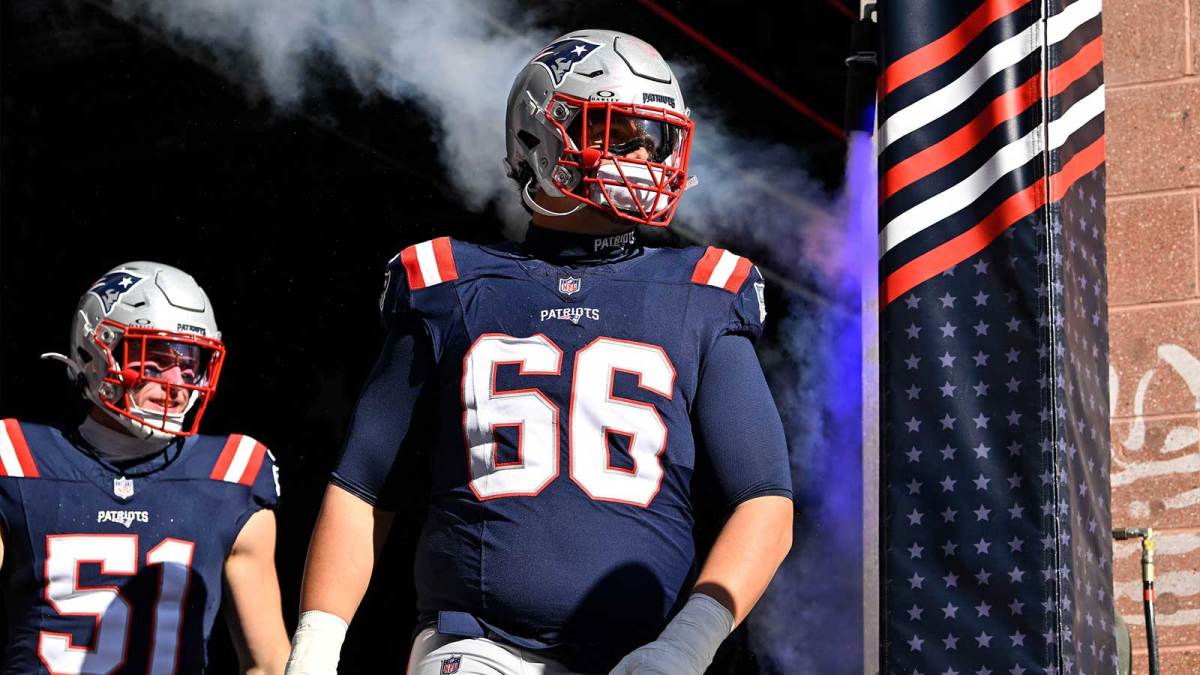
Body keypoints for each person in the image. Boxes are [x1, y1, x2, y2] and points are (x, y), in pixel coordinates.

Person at [286, 29, 793, 675]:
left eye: (653, 138)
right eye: (618, 132)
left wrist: (685, 643)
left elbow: (766, 502)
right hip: (475, 646)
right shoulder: (449, 281)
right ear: (539, 137)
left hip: (639, 656)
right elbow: (362, 484)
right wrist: (315, 649)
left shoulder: (702, 289)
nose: (642, 154)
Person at [0, 261, 290, 674]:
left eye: (191, 363)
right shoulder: (15, 458)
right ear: (94, 349)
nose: (177, 383)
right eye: (154, 361)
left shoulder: (233, 474)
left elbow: (268, 664)